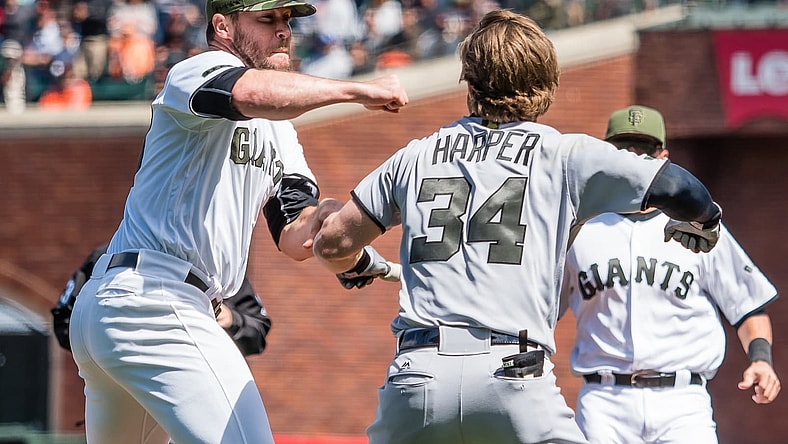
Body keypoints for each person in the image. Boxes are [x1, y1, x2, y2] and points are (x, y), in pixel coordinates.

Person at [312, 10, 724, 444]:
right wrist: (707, 220)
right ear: (546, 84)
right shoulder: (566, 155)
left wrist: (356, 262)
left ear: (470, 83)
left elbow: (332, 244)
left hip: (418, 376)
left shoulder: (415, 156)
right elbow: (679, 188)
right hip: (513, 374)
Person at [66, 0, 409, 441]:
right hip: (154, 299)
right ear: (223, 26)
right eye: (267, 19)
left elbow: (293, 235)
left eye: (287, 21)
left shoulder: (282, 133)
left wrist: (326, 220)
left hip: (130, 304)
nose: (283, 31)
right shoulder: (197, 70)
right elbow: (251, 94)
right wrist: (359, 90)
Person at [558, 105, 781, 444]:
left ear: (663, 158)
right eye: (622, 149)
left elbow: (749, 305)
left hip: (682, 403)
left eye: (644, 149)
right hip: (604, 402)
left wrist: (761, 360)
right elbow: (541, 310)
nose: (634, 158)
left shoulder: (699, 226)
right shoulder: (580, 230)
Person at [52, 244, 272, 357]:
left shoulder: (218, 263)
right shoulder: (112, 256)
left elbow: (258, 332)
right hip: (121, 383)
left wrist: (230, 319)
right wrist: (111, 335)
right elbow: (64, 320)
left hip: (199, 388)